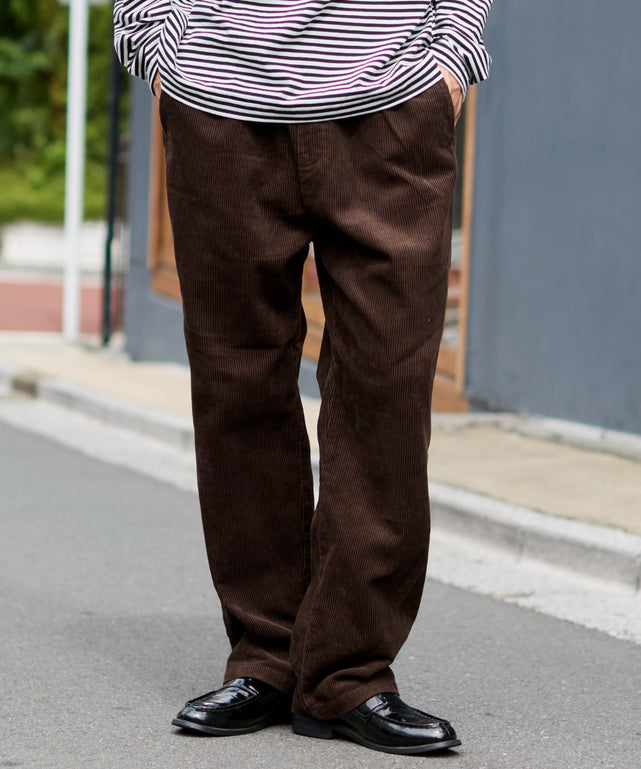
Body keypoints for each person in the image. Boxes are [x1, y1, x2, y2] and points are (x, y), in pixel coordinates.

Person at [114, 0, 492, 756]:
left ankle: (349, 673)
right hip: (218, 94)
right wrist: (158, 44)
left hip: (392, 98)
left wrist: (451, 53)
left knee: (386, 387)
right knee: (237, 382)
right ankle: (266, 656)